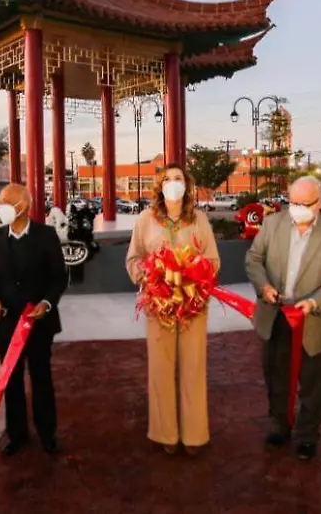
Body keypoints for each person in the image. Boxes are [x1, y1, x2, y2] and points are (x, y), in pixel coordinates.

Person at [246, 176, 321, 460]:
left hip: (313, 318)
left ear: (319, 204)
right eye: (293, 202)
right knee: (275, 375)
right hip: (275, 314)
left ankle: (307, 435)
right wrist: (264, 286)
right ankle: (280, 425)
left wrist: (315, 301)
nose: (298, 208)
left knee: (314, 382)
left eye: (305, 204)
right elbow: (254, 259)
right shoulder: (272, 224)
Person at [125, 165, 220, 454]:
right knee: (161, 369)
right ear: (159, 186)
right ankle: (166, 433)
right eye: (168, 179)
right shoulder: (145, 220)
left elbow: (213, 260)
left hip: (193, 305)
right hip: (159, 307)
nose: (173, 184)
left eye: (179, 179)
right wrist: (149, 273)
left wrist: (193, 274)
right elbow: (133, 259)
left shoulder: (200, 220)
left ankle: (193, 435)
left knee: (193, 368)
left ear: (187, 186)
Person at [0, 183, 68, 456]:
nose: (1, 205)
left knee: (41, 378)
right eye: (0, 200)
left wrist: (46, 303)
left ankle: (47, 434)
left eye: (7, 201)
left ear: (24, 206)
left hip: (38, 323)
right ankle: (16, 434)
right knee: (11, 381)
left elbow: (58, 277)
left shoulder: (46, 235)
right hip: (5, 324)